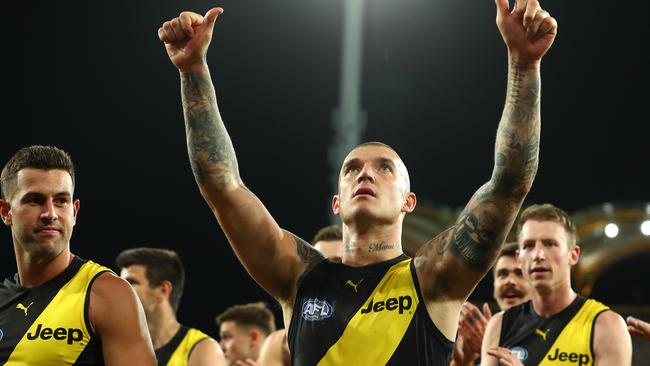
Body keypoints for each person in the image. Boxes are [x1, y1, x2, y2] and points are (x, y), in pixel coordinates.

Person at [158, 0, 556, 363]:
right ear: (337, 202)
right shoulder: (300, 278)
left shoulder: (433, 278)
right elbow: (223, 188)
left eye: (385, 168)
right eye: (351, 169)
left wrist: (524, 67)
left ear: (408, 201)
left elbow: (509, 181)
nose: (365, 173)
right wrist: (193, 71)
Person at [0, 145, 156, 365]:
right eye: (35, 200)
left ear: (74, 211)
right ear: (6, 212)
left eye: (61, 201)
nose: (50, 214)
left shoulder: (108, 295)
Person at [481, 204, 632, 365]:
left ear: (573, 255)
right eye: (529, 246)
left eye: (549, 244)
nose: (538, 255)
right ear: (519, 258)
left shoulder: (606, 326)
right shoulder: (499, 325)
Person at [117, 247, 226, 366]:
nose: (119, 290)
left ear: (163, 290)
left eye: (131, 283)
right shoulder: (120, 350)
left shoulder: (203, 350)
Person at [256, 225, 343, 366]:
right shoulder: (280, 343)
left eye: (337, 262)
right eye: (322, 265)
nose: (329, 272)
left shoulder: (372, 321)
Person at [451, 242, 531, 366]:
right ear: (494, 289)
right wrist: (464, 361)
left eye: (519, 273)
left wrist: (491, 345)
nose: (509, 281)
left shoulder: (554, 332)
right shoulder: (483, 341)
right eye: (502, 274)